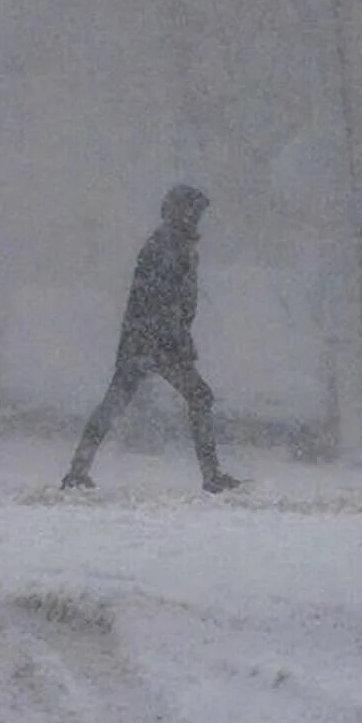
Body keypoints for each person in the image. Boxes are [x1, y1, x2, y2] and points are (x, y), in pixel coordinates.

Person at [62, 184, 241, 493]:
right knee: (198, 397)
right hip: (158, 342)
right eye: (195, 211)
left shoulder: (169, 244)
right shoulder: (169, 246)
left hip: (142, 341)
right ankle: (211, 476)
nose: (198, 218)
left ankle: (78, 469)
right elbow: (162, 300)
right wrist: (175, 339)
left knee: (114, 403)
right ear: (182, 212)